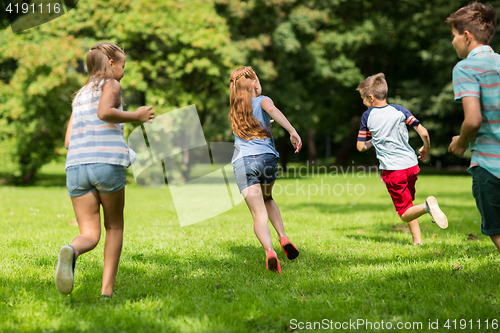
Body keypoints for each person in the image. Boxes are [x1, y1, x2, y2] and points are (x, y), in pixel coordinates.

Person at [55, 42, 154, 297]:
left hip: (76, 167)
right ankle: (106, 291)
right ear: (111, 64)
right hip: (106, 164)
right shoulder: (111, 85)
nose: (123, 69)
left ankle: (71, 251)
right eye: (122, 64)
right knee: (114, 227)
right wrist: (137, 116)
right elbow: (104, 112)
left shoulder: (79, 95)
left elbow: (68, 142)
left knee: (88, 233)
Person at [356, 73, 448, 245]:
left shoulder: (368, 116)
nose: (363, 102)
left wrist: (372, 140)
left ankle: (428, 207)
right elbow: (424, 132)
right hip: (411, 166)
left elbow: (361, 147)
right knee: (409, 203)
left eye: (362, 98)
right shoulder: (399, 110)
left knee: (405, 213)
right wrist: (425, 149)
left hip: (393, 170)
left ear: (371, 97)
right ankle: (417, 241)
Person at [229, 66, 302, 273]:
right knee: (268, 198)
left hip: (244, 163)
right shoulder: (263, 100)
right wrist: (292, 131)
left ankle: (270, 251)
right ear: (255, 83)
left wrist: (265, 125)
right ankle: (283, 237)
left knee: (258, 214)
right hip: (267, 160)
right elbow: (273, 110)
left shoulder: (235, 110)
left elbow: (247, 130)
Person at [447, 3, 500, 251]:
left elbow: (473, 120)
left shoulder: (466, 68)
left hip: (490, 167)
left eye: (454, 36)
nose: (453, 42)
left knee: (496, 229)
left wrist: (461, 143)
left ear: (466, 36)